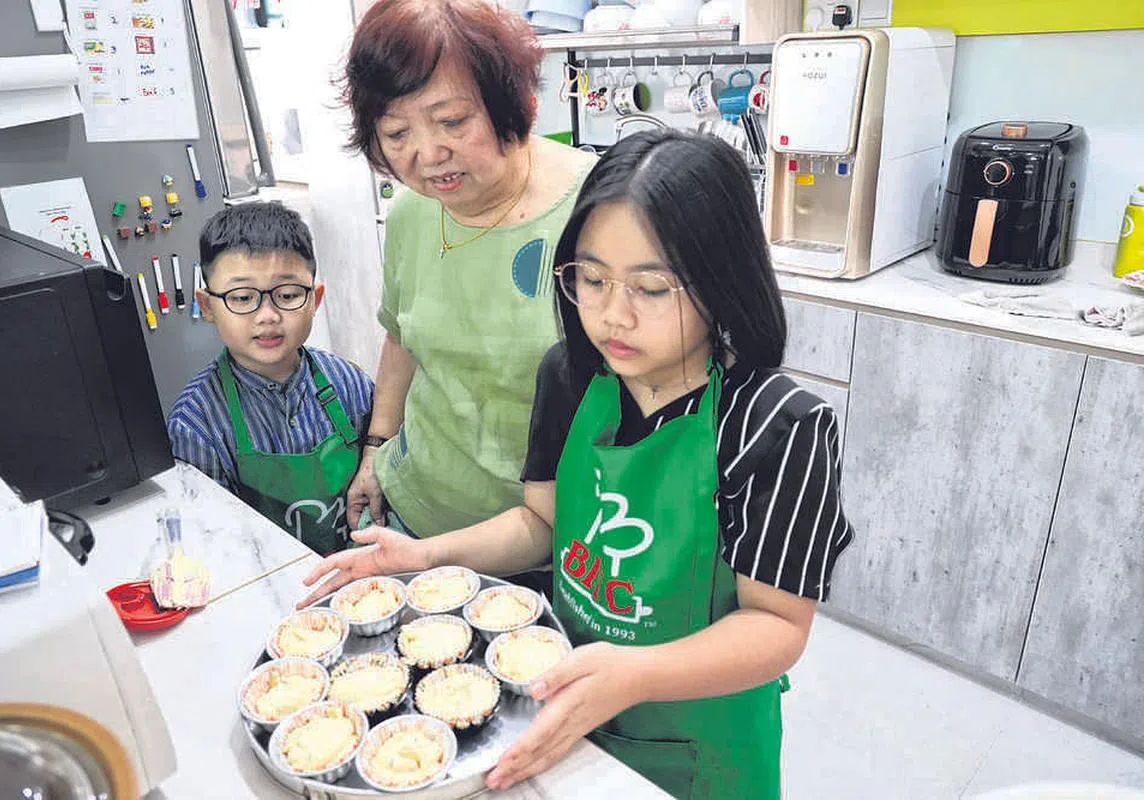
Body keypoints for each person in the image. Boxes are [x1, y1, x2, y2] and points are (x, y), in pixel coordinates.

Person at [299, 129, 856, 798]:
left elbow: (776, 628)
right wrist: (424, 558)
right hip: (563, 705)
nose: (610, 316)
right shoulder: (571, 375)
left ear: (722, 281)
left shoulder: (776, 425)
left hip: (701, 741)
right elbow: (543, 525)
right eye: (590, 279)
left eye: (650, 290)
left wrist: (634, 673)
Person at [336, 0, 597, 588]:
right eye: (397, 132)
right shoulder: (409, 213)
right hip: (416, 521)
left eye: (452, 121)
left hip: (559, 541)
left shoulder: (598, 210)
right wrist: (377, 450)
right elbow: (402, 336)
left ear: (512, 105)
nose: (427, 155)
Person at [167, 202, 374, 556]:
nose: (267, 315)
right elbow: (214, 546)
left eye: (288, 295)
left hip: (366, 578)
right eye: (242, 297)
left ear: (315, 299)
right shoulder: (195, 425)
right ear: (207, 306)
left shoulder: (349, 383)